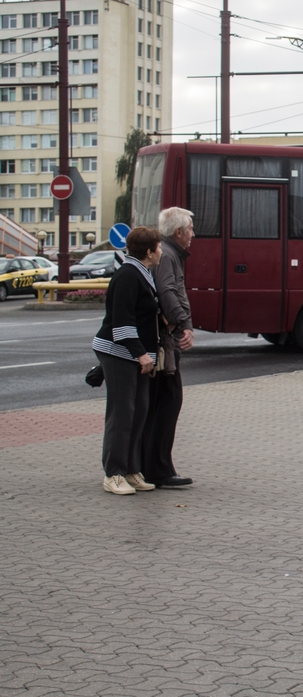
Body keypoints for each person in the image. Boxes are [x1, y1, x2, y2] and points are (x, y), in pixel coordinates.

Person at [92, 227, 164, 496]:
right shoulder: (127, 275)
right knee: (122, 413)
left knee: (139, 411)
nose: (161, 251)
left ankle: (132, 469)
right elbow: (122, 322)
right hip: (120, 352)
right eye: (159, 247)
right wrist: (140, 353)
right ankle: (113, 473)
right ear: (149, 251)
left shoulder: (142, 273)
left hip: (135, 355)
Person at [140, 207, 196, 489]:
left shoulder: (168, 254)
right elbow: (168, 291)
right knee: (168, 402)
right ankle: (158, 469)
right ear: (179, 232)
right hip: (165, 341)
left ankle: (151, 466)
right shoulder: (169, 256)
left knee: (161, 403)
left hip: (162, 338)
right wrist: (184, 323)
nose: (193, 234)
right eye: (190, 229)